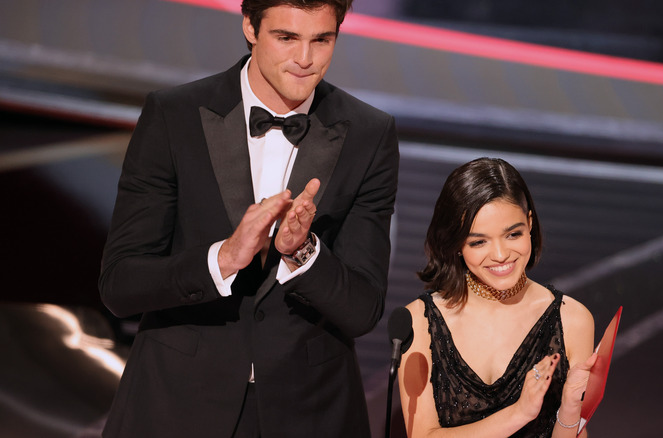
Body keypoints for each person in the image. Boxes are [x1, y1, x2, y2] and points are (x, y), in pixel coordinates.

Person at [98, 0, 399, 436]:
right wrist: (223, 258)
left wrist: (305, 253)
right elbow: (121, 285)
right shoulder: (174, 115)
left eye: (322, 39)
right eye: (286, 37)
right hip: (176, 406)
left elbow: (362, 309)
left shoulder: (370, 134)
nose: (305, 59)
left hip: (310, 411)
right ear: (250, 27)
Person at [398, 158, 596, 437]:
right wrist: (518, 414)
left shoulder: (572, 319)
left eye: (513, 234)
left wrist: (571, 408)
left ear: (530, 225)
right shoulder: (419, 321)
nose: (501, 255)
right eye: (479, 242)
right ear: (456, 244)